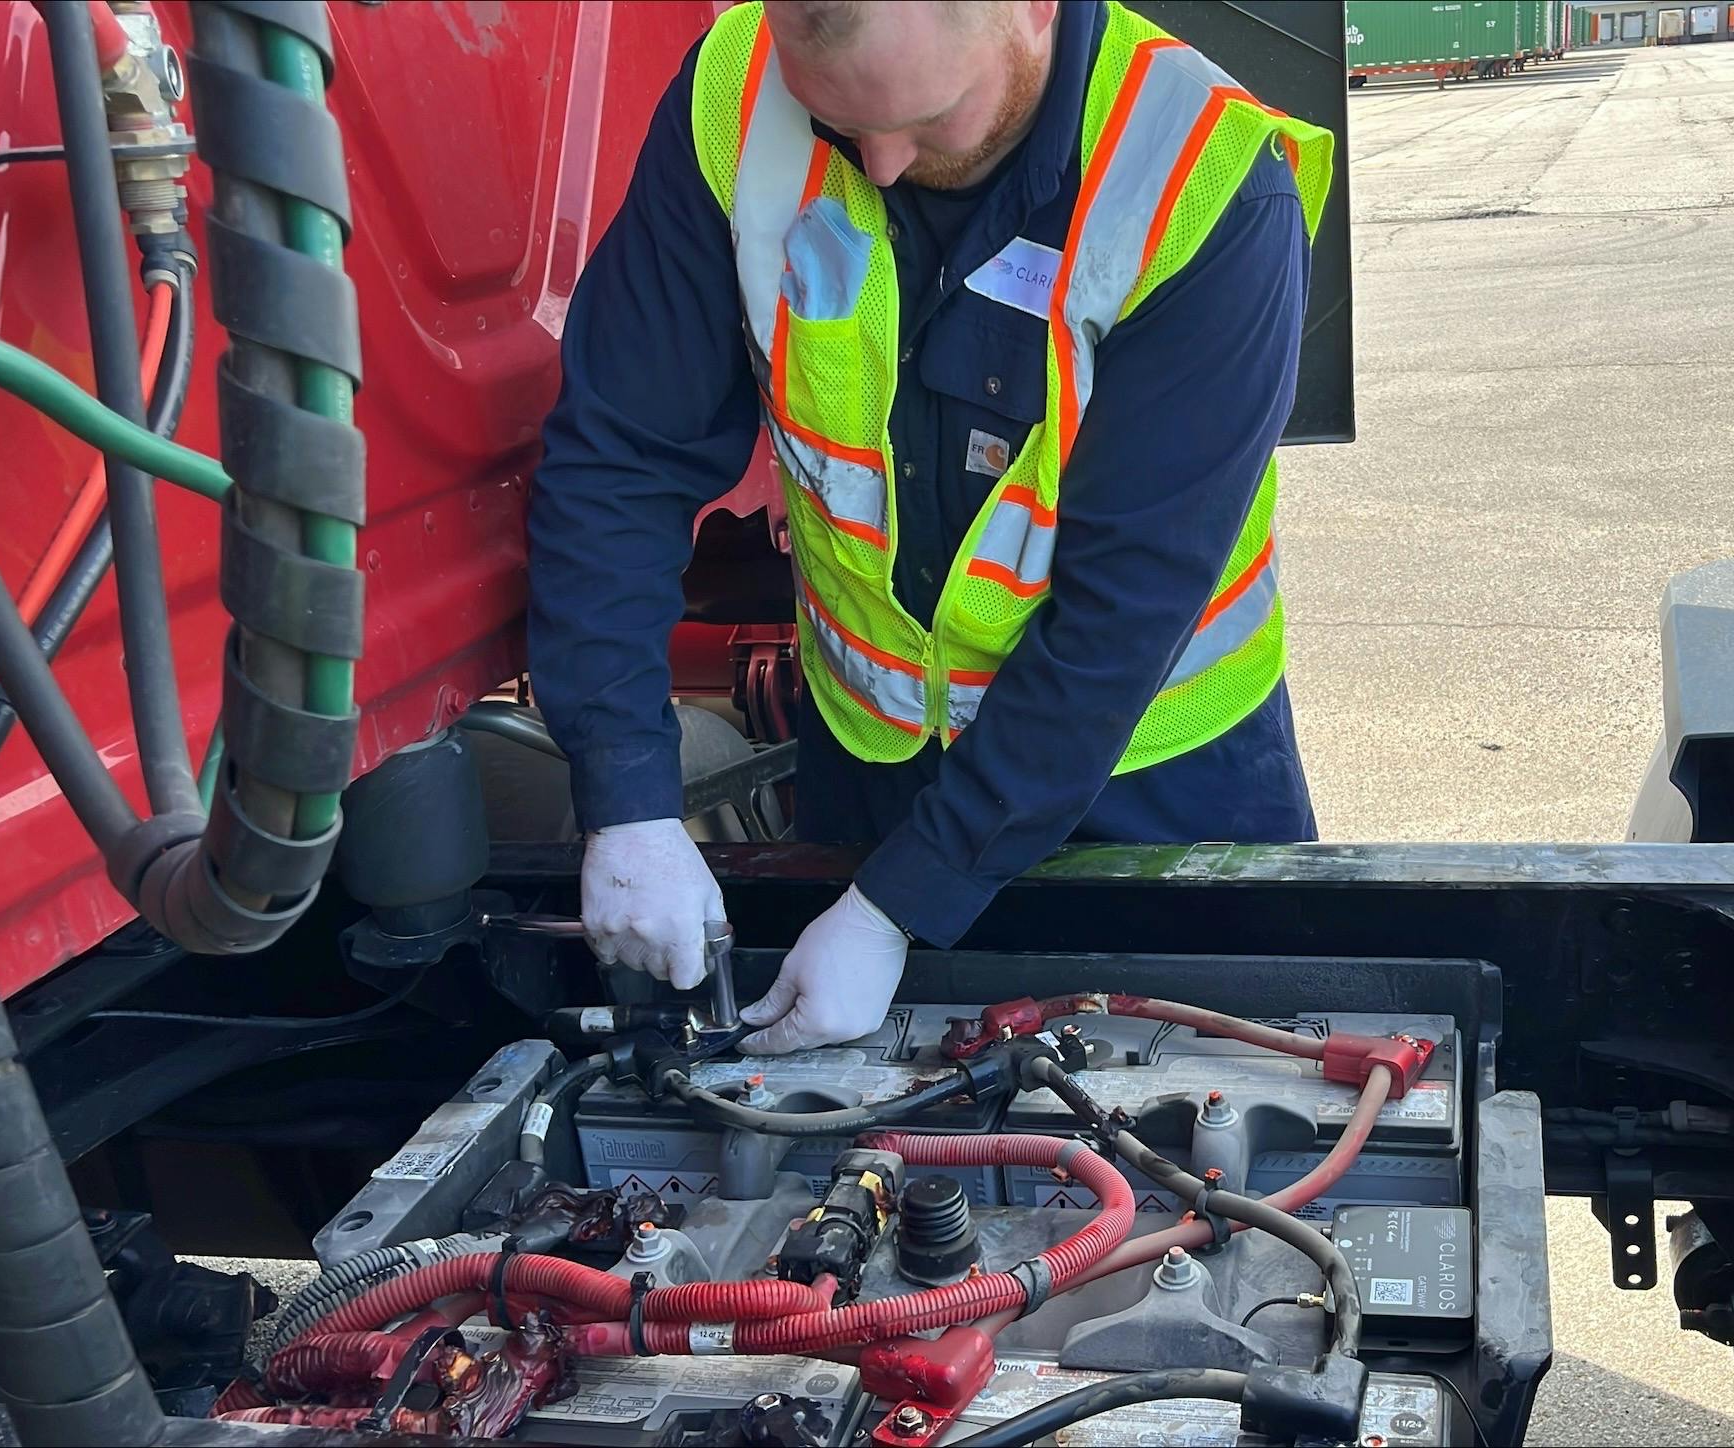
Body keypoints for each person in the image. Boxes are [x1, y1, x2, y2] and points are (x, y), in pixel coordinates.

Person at [527, 0, 1332, 1053]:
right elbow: (621, 452)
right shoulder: (734, 94)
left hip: (1150, 782)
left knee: (1204, 1136)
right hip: (873, 758)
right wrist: (625, 792)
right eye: (839, 124)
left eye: (929, 118)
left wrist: (896, 906)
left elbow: (1120, 612)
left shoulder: (1202, 178)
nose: (884, 164)